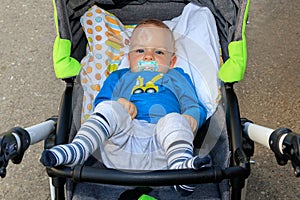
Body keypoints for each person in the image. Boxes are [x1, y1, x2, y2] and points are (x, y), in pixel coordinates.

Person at [40, 19, 210, 196]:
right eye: (140, 51)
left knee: (174, 120)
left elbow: (194, 104)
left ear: (172, 60)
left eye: (159, 52)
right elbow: (101, 104)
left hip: (163, 148)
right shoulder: (119, 76)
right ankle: (79, 148)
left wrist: (191, 117)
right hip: (121, 143)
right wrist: (120, 103)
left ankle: (180, 166)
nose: (148, 56)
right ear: (129, 58)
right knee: (110, 109)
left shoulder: (176, 76)